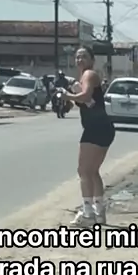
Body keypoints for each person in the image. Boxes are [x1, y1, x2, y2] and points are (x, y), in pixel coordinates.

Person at [58, 46, 115, 227]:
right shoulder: (83, 79)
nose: (79, 60)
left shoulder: (89, 75)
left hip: (96, 129)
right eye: (77, 57)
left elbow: (85, 96)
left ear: (92, 60)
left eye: (83, 56)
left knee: (83, 171)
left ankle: (88, 212)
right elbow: (87, 102)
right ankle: (99, 212)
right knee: (92, 171)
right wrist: (71, 98)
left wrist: (67, 96)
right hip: (103, 128)